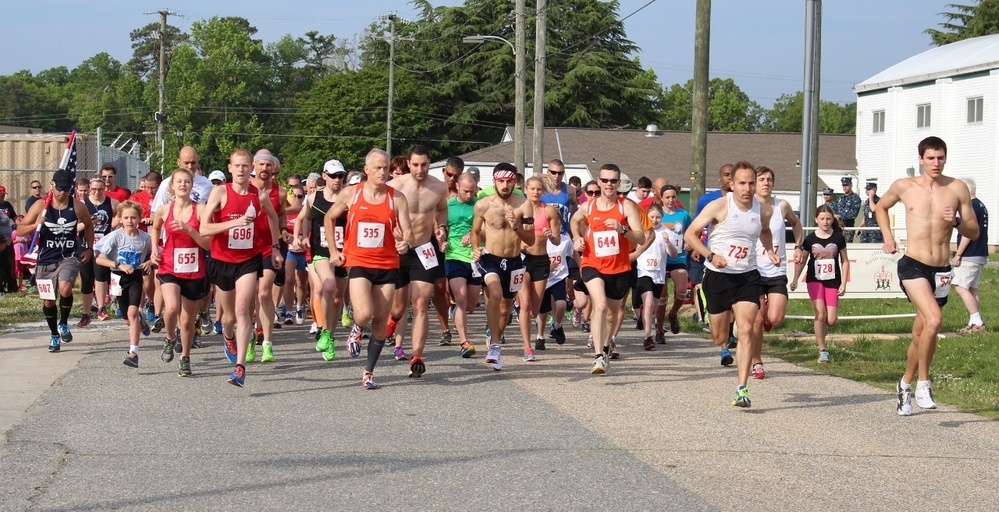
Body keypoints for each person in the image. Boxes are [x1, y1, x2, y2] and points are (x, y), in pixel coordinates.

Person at [874, 136, 978, 416]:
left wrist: (956, 221)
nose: (936, 163)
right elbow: (880, 207)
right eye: (930, 158)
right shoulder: (904, 186)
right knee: (934, 319)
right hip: (913, 265)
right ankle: (924, 383)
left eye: (940, 157)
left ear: (946, 158)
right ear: (921, 159)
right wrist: (887, 236)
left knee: (922, 334)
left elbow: (974, 231)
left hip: (942, 269)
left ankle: (904, 384)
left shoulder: (957, 188)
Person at [684, 161, 779, 408]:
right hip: (718, 275)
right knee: (719, 336)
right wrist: (710, 255)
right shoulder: (718, 207)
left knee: (747, 328)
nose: (747, 188)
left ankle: (742, 389)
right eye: (742, 183)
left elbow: (765, 230)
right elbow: (690, 234)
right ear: (732, 184)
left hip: (748, 276)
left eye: (751, 183)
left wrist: (769, 250)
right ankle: (714, 322)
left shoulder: (764, 210)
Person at [326, 148, 414, 389]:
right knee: (364, 313)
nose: (382, 172)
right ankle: (356, 328)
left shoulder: (397, 198)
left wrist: (404, 242)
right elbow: (329, 218)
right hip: (359, 261)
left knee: (381, 323)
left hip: (387, 264)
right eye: (377, 167)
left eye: (385, 167)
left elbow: (408, 231)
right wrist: (334, 251)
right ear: (366, 170)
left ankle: (368, 372)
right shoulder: (351, 194)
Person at [200, 148, 283, 387]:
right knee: (227, 318)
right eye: (237, 166)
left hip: (249, 259)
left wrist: (275, 246)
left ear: (252, 169)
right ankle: (228, 337)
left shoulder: (259, 195)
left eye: (246, 166)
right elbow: (205, 228)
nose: (242, 170)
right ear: (230, 168)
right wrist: (234, 222)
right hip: (222, 259)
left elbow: (273, 217)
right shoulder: (219, 192)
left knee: (243, 309)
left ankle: (240, 368)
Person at [570, 164, 646, 375]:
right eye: (605, 180)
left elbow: (641, 236)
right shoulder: (589, 206)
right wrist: (576, 237)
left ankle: (605, 345)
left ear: (619, 182)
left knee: (612, 315)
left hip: (619, 267)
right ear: (599, 181)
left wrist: (623, 230)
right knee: (600, 305)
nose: (609, 184)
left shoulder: (626, 206)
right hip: (592, 263)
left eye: (613, 181)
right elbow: (574, 220)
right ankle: (598, 357)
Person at [384, 145, 449, 377]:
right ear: (408, 164)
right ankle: (392, 321)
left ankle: (416, 356)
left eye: (424, 164)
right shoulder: (394, 187)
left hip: (423, 249)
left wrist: (441, 228)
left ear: (430, 162)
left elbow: (441, 211)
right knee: (399, 307)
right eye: (415, 165)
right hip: (398, 250)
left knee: (421, 302)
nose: (420, 169)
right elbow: (381, 217)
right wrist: (394, 234)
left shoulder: (439, 187)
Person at [17, 169, 95, 352]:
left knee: (65, 287)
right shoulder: (40, 206)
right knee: (49, 301)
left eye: (67, 188)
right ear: (52, 185)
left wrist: (89, 248)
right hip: (45, 260)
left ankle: (64, 323)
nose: (63, 192)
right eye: (60, 188)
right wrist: (36, 224)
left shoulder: (77, 206)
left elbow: (89, 225)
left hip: (68, 256)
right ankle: (54, 335)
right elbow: (20, 230)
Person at [472, 163, 535, 371]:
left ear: (515, 181)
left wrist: (516, 226)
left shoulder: (524, 205)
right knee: (495, 294)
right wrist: (475, 248)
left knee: (506, 307)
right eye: (501, 181)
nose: (505, 185)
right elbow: (474, 231)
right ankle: (495, 347)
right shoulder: (483, 205)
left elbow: (532, 239)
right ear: (494, 181)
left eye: (509, 181)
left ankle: (494, 337)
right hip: (491, 258)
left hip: (515, 261)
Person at [150, 169, 211, 376]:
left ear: (192, 185)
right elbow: (155, 228)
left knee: (186, 320)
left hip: (193, 270)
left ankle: (185, 358)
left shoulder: (201, 210)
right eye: (179, 182)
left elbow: (208, 244)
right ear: (172, 186)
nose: (183, 185)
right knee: (172, 307)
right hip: (169, 265)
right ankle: (169, 338)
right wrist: (153, 249)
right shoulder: (164, 209)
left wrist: (190, 230)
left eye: (187, 181)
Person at [748, 167, 803, 379]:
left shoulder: (782, 205)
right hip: (754, 268)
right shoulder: (748, 206)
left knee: (776, 318)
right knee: (757, 320)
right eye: (761, 179)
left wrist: (798, 246)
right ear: (754, 182)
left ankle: (769, 316)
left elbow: (796, 224)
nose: (766, 183)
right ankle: (757, 362)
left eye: (769, 179)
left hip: (776, 268)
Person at [94, 201, 154, 367]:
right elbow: (99, 259)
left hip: (135, 277)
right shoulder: (115, 237)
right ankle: (140, 322)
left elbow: (156, 255)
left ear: (139, 219)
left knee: (133, 312)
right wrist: (118, 265)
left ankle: (133, 353)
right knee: (128, 318)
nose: (130, 221)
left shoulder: (145, 238)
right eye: (126, 217)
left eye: (133, 218)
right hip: (118, 278)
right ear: (120, 218)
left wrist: (149, 262)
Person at [301, 159, 347, 361]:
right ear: (325, 176)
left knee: (338, 298)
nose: (338, 180)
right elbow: (307, 218)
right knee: (328, 287)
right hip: (321, 251)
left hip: (344, 252)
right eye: (334, 176)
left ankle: (330, 336)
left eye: (341, 176)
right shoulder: (314, 197)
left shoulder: (349, 198)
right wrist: (302, 237)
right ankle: (325, 330)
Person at [791, 204, 848, 364]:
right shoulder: (810, 239)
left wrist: (844, 282)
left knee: (831, 319)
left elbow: (845, 260)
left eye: (828, 219)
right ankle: (822, 350)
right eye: (822, 219)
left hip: (832, 280)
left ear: (832, 220)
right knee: (820, 315)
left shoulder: (838, 237)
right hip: (814, 280)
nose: (825, 222)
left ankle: (823, 328)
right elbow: (802, 261)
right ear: (816, 219)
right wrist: (795, 278)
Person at [248, 150, 288, 363]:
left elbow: (281, 214)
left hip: (269, 247)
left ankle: (268, 344)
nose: (264, 169)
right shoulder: (245, 188)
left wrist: (284, 232)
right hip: (246, 248)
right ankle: (250, 336)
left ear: (273, 168)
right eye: (261, 164)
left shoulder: (280, 192)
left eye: (268, 165)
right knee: (249, 295)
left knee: (264, 294)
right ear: (254, 166)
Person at [516, 176, 561, 359]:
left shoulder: (549, 211)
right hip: (522, 259)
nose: (535, 192)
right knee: (526, 305)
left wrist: (551, 236)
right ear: (526, 189)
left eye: (538, 189)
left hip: (541, 260)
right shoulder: (519, 210)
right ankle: (527, 348)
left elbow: (557, 240)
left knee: (534, 310)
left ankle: (518, 306)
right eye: (532, 189)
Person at [445, 173, 482, 358]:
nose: (469, 194)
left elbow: (488, 227)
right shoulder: (447, 205)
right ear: (457, 187)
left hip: (475, 257)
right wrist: (441, 239)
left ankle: (455, 311)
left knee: (471, 305)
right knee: (461, 298)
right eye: (466, 191)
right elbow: (441, 227)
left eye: (472, 190)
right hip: (454, 256)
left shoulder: (479, 204)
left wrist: (473, 233)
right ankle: (464, 342)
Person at [633, 203, 677, 350]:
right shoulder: (641, 231)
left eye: (658, 217)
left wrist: (668, 242)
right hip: (643, 271)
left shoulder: (667, 232)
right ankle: (647, 337)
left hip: (658, 273)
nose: (655, 220)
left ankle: (642, 315)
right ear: (647, 216)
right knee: (650, 302)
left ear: (662, 218)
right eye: (652, 217)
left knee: (652, 309)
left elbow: (674, 254)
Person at [655, 185, 693, 342]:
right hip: (662, 259)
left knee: (682, 291)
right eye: (667, 197)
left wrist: (690, 242)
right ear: (661, 198)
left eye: (673, 197)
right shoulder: (657, 215)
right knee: (662, 298)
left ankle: (673, 314)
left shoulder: (683, 215)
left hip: (679, 258)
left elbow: (692, 232)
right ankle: (659, 331)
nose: (671, 200)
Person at [952, 178, 988, 335]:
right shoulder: (981, 205)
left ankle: (977, 321)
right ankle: (974, 322)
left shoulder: (971, 206)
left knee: (960, 286)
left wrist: (958, 254)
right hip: (980, 252)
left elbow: (968, 234)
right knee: (972, 288)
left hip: (970, 254)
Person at [82, 175, 120, 322]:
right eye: (94, 190)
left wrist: (116, 228)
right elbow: (75, 227)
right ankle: (86, 313)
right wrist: (87, 224)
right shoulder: (82, 204)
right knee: (86, 278)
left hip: (103, 246)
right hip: (86, 245)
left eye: (100, 189)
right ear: (89, 189)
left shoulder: (112, 203)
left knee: (100, 276)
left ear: (105, 189)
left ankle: (101, 308)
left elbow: (120, 217)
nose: (97, 192)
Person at [832, 177, 862, 242]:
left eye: (847, 185)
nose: (845, 187)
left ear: (851, 185)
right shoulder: (840, 198)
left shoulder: (856, 198)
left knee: (847, 247)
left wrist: (840, 216)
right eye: (843, 185)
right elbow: (835, 210)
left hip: (848, 228)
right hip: (838, 227)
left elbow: (853, 214)